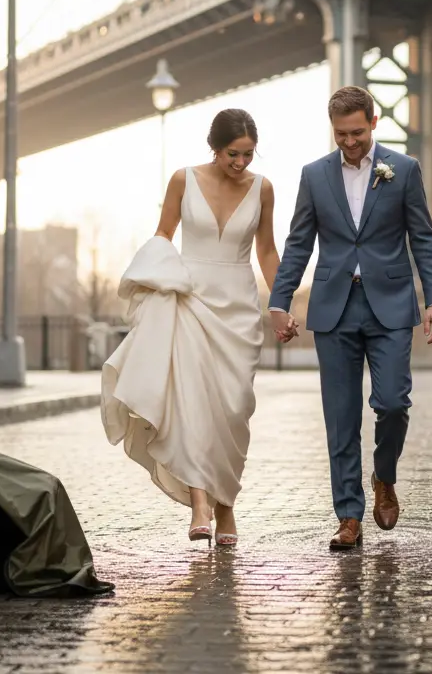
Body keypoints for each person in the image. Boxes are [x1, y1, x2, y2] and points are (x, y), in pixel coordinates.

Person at [269, 86, 432, 551]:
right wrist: (279, 300)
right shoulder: (314, 176)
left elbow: (423, 240)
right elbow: (298, 243)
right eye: (339, 134)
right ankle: (348, 516)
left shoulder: (403, 170)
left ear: (373, 121)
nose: (348, 142)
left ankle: (384, 477)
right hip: (333, 307)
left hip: (389, 305)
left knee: (392, 402)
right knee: (341, 417)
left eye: (356, 132)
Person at [100, 109, 290, 546]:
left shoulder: (263, 189)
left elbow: (266, 251)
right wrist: (158, 282)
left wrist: (280, 301)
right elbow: (164, 233)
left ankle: (228, 505)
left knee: (234, 408)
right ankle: (203, 504)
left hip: (239, 308)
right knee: (193, 406)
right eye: (231, 154)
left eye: (247, 154)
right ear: (215, 148)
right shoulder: (183, 180)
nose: (240, 163)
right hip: (191, 299)